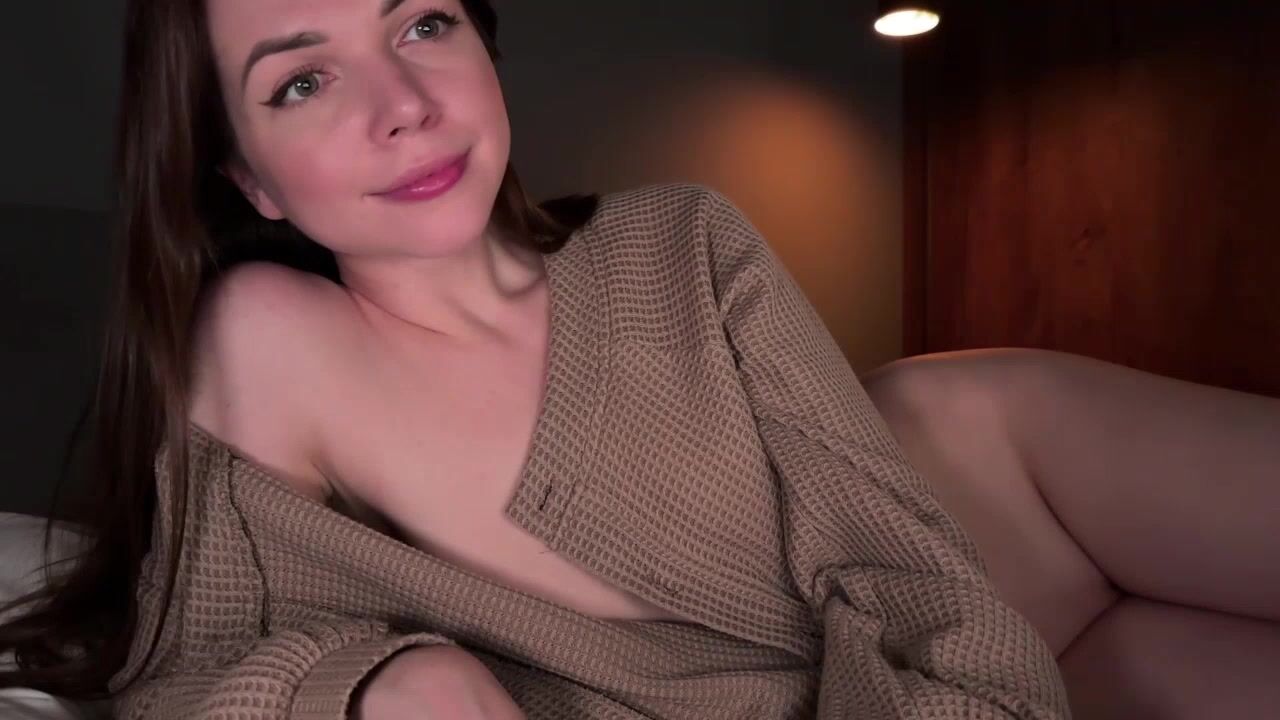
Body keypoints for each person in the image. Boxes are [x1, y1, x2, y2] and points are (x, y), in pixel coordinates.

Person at [1, 0, 1078, 717]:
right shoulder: (268, 341)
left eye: (424, 23)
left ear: (484, 42)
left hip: (952, 613)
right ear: (248, 181)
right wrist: (382, 685)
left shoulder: (681, 239)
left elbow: (908, 577)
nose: (405, 107)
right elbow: (186, 682)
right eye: (303, 82)